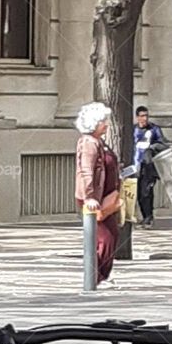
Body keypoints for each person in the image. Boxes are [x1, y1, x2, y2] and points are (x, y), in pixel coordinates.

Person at [75, 101, 121, 287]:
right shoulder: (88, 143)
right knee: (105, 238)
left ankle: (100, 276)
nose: (107, 124)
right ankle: (95, 277)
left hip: (106, 197)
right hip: (95, 200)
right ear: (94, 123)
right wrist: (90, 197)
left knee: (111, 235)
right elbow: (85, 171)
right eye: (103, 121)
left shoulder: (100, 142)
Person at [133, 105, 164, 227]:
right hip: (136, 165)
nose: (144, 118)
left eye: (146, 115)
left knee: (146, 192)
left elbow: (162, 143)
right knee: (137, 193)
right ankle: (142, 216)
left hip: (149, 166)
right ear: (137, 117)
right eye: (141, 116)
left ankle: (148, 217)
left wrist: (151, 147)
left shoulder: (154, 129)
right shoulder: (133, 129)